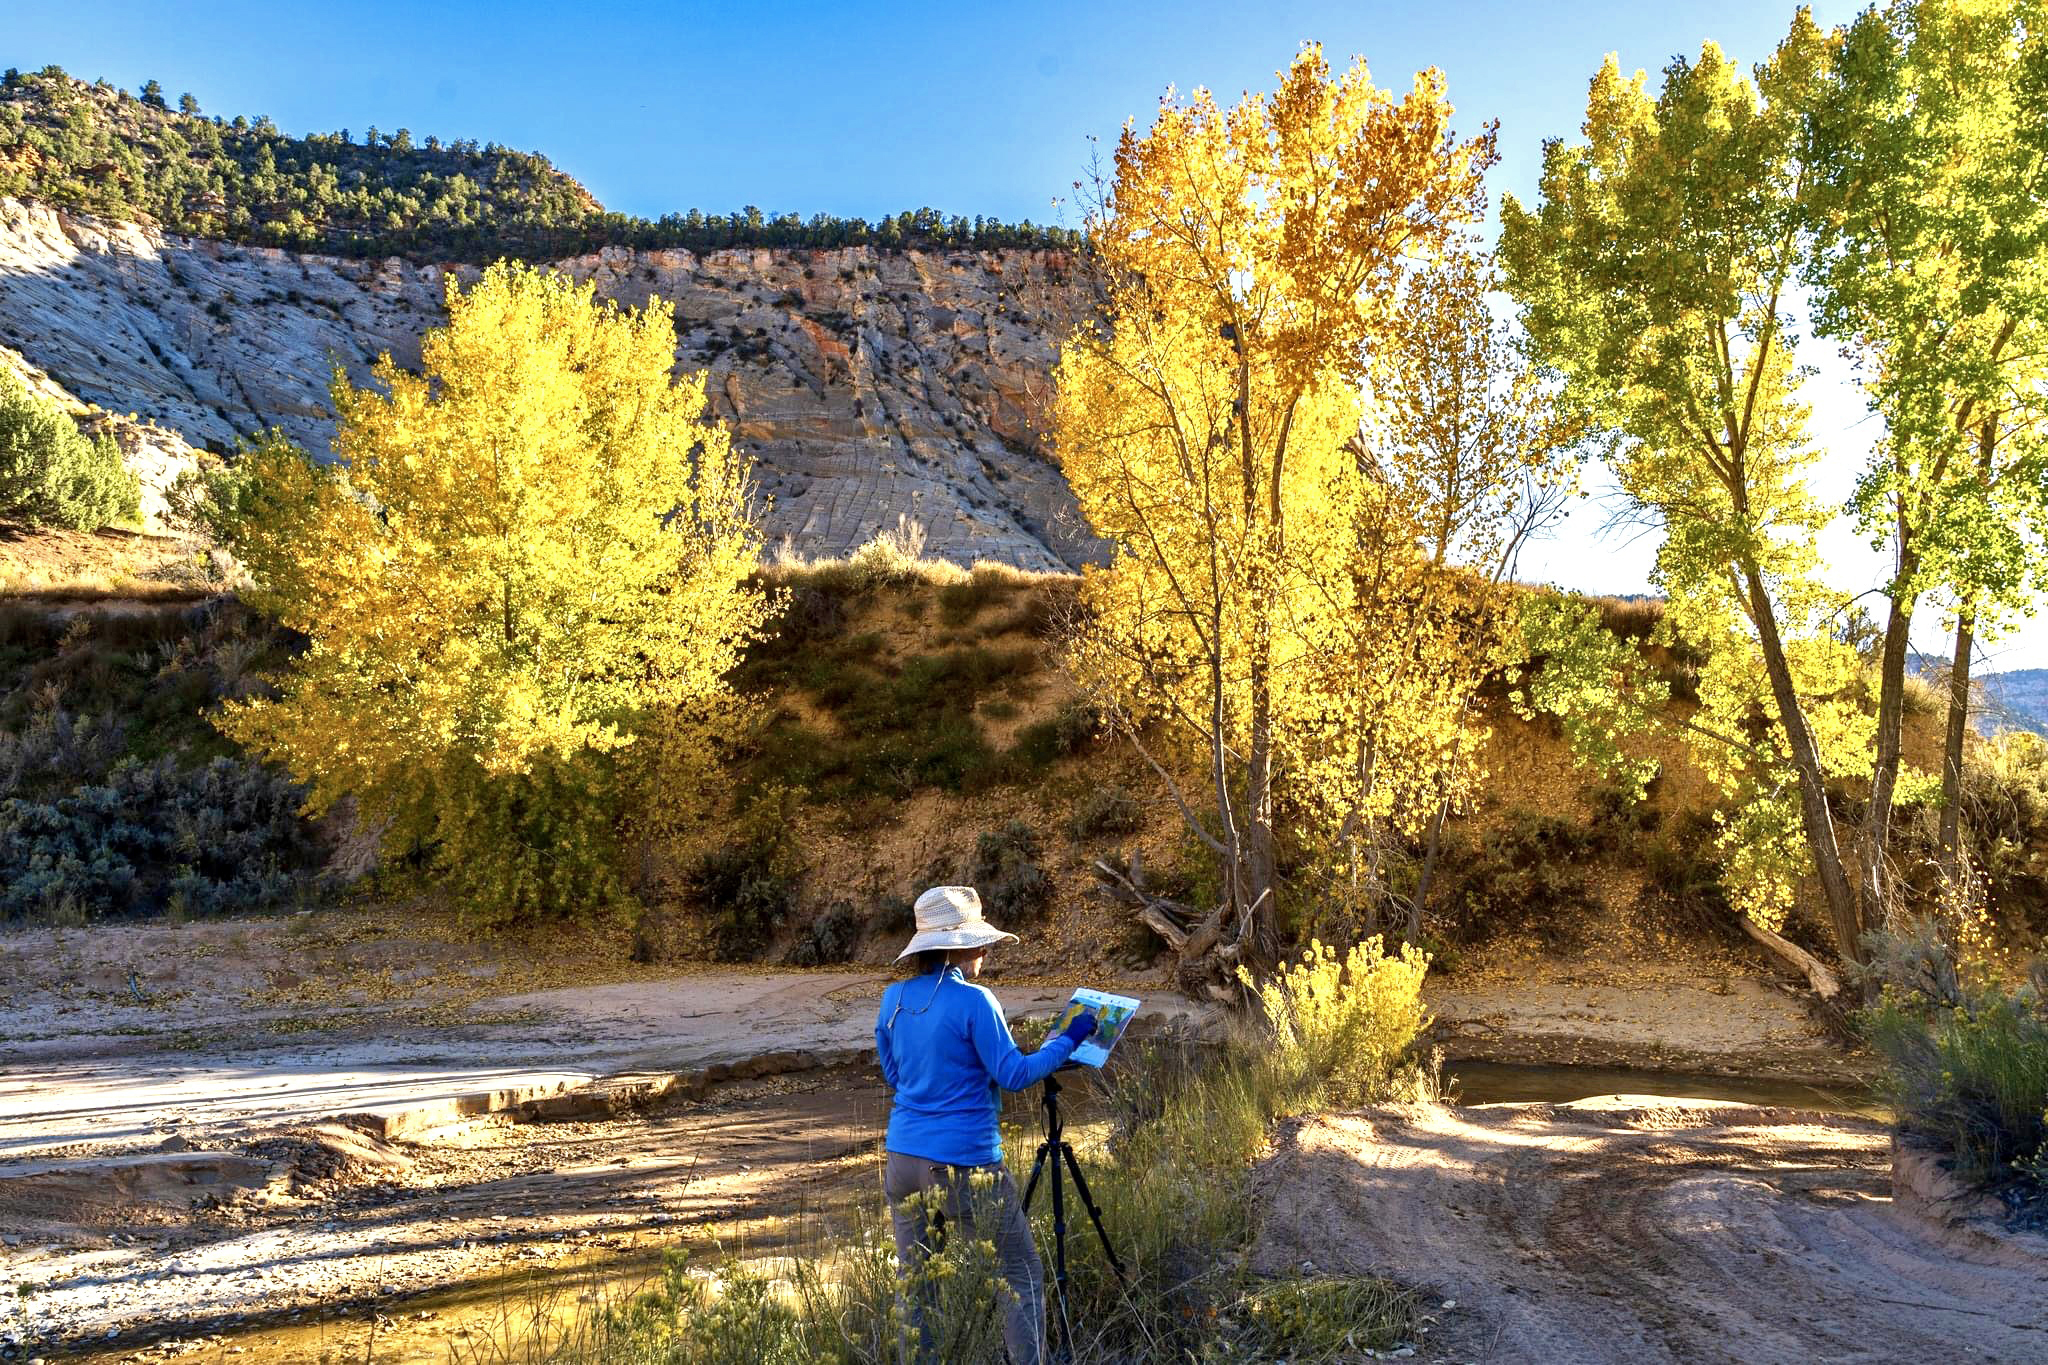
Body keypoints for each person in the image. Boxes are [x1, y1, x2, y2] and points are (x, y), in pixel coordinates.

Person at [875, 884, 1098, 1365]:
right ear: (962, 948)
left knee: (917, 1284)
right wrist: (1068, 1041)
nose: (984, 956)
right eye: (980, 946)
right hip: (964, 1165)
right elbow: (1014, 1074)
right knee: (1020, 1273)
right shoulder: (976, 1001)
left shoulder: (892, 999)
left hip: (902, 1160)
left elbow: (895, 1075)